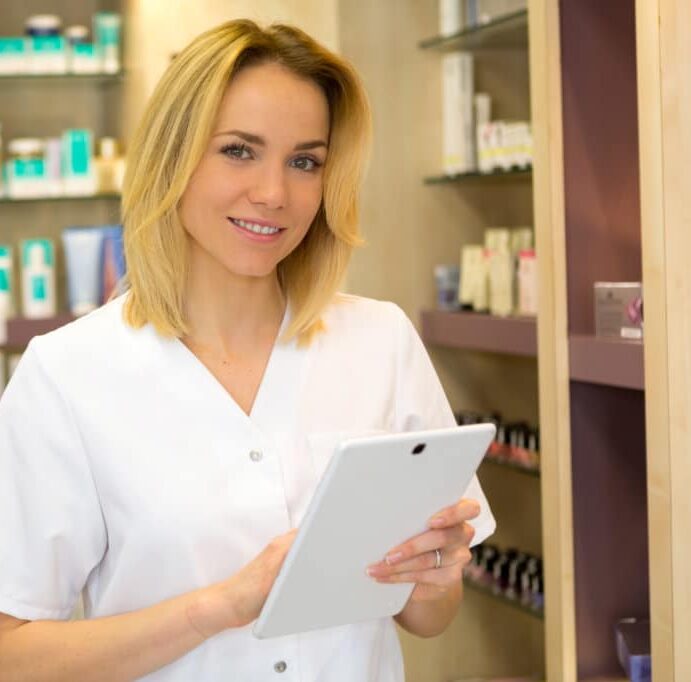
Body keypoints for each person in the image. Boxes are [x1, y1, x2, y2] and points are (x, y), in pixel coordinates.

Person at [0, 19, 495, 681]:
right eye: (238, 150)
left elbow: (429, 619)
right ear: (174, 157)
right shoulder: (67, 375)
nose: (274, 193)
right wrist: (218, 607)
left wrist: (433, 578)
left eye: (304, 161)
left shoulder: (380, 342)